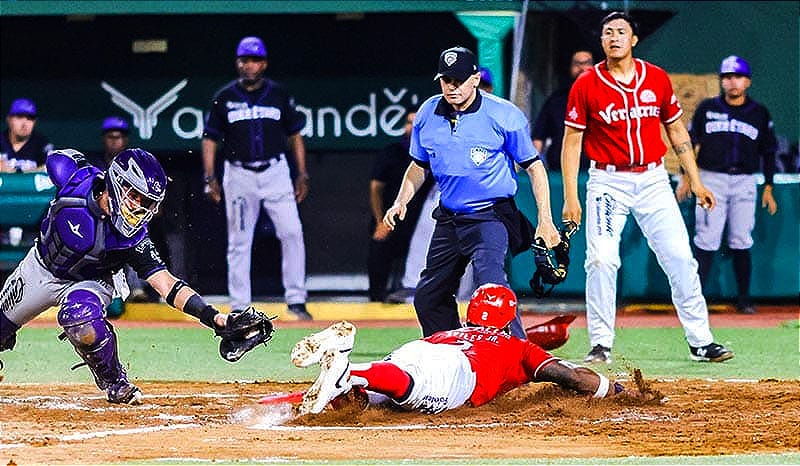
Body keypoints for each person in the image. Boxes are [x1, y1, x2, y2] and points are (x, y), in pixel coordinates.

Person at [0, 148, 260, 404]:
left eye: (146, 203)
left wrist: (214, 318)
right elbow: (56, 158)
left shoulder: (134, 239)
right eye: (134, 196)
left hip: (91, 282)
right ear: (115, 183)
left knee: (81, 317)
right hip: (41, 268)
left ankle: (115, 382)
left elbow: (166, 284)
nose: (138, 208)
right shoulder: (74, 180)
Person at [561, 11, 733, 364]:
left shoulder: (655, 78)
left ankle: (701, 342)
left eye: (621, 32)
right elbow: (571, 142)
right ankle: (600, 344)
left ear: (634, 40)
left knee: (681, 259)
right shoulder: (586, 85)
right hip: (608, 180)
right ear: (602, 41)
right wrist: (570, 197)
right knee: (601, 259)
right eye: (608, 32)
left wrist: (696, 181)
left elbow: (676, 130)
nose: (614, 37)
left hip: (653, 178)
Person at [384, 46, 560, 340]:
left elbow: (534, 167)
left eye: (459, 80)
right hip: (449, 218)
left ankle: (517, 356)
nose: (451, 87)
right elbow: (419, 165)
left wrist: (545, 219)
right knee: (429, 297)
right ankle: (455, 356)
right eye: (446, 80)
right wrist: (401, 201)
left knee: (491, 289)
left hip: (490, 216)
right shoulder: (428, 112)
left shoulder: (503, 115)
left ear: (475, 79)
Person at [291, 283, 623, 415]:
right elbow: (571, 377)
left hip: (421, 348)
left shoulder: (452, 330)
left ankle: (348, 375)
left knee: (365, 400)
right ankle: (346, 371)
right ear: (509, 318)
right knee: (412, 388)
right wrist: (615, 389)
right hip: (461, 373)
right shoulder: (518, 346)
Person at [202, 36, 312, 320]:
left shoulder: (278, 94)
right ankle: (239, 305)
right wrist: (209, 176)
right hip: (238, 173)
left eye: (254, 60)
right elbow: (210, 139)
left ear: (263, 63)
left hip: (276, 171)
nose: (249, 66)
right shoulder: (224, 96)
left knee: (292, 232)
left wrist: (301, 173)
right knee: (239, 240)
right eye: (244, 60)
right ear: (238, 63)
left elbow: (295, 135)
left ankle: (296, 300)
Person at [677, 55, 778, 315]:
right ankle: (695, 299)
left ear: (748, 81)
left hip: (744, 179)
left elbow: (769, 151)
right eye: (728, 77)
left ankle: (744, 298)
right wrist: (687, 177)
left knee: (741, 239)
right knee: (706, 239)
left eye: (738, 77)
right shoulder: (707, 108)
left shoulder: (759, 112)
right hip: (711, 178)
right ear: (722, 82)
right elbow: (690, 143)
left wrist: (768, 186)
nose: (733, 82)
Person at [367, 109, 432, 301]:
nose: (412, 128)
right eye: (409, 123)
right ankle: (376, 298)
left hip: (424, 218)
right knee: (380, 243)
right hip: (393, 215)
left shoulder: (432, 151)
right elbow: (375, 188)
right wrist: (380, 220)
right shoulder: (392, 152)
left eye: (416, 123)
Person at [532, 50, 594, 171]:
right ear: (570, 68)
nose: (582, 68)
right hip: (559, 173)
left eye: (586, 63)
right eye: (577, 64)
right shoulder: (556, 100)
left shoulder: (606, 98)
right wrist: (535, 169)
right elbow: (538, 137)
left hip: (596, 174)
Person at [1, 98, 53, 173]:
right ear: (9, 119)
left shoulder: (42, 144)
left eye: (30, 118)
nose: (24, 124)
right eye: (19, 117)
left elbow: (51, 168)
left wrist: (24, 173)